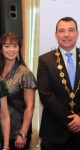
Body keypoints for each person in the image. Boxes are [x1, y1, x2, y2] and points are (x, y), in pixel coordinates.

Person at [37, 16, 80, 150]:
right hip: (53, 133)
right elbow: (45, 94)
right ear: (56, 35)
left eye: (71, 30)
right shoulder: (45, 60)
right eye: (62, 31)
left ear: (77, 33)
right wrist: (70, 121)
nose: (66, 35)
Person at [0, 32, 36, 150]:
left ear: (19, 48)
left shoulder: (25, 73)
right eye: (7, 46)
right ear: (1, 48)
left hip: (18, 130)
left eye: (15, 46)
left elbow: (30, 106)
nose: (11, 50)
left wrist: (23, 133)